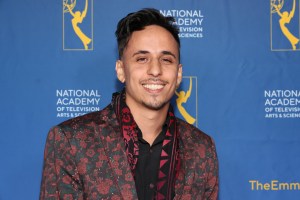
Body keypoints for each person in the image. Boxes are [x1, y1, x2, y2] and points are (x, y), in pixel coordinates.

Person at [40, 8, 218, 200]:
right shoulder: (72, 141)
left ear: (179, 74)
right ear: (121, 70)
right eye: (142, 59)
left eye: (166, 60)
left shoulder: (201, 149)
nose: (155, 70)